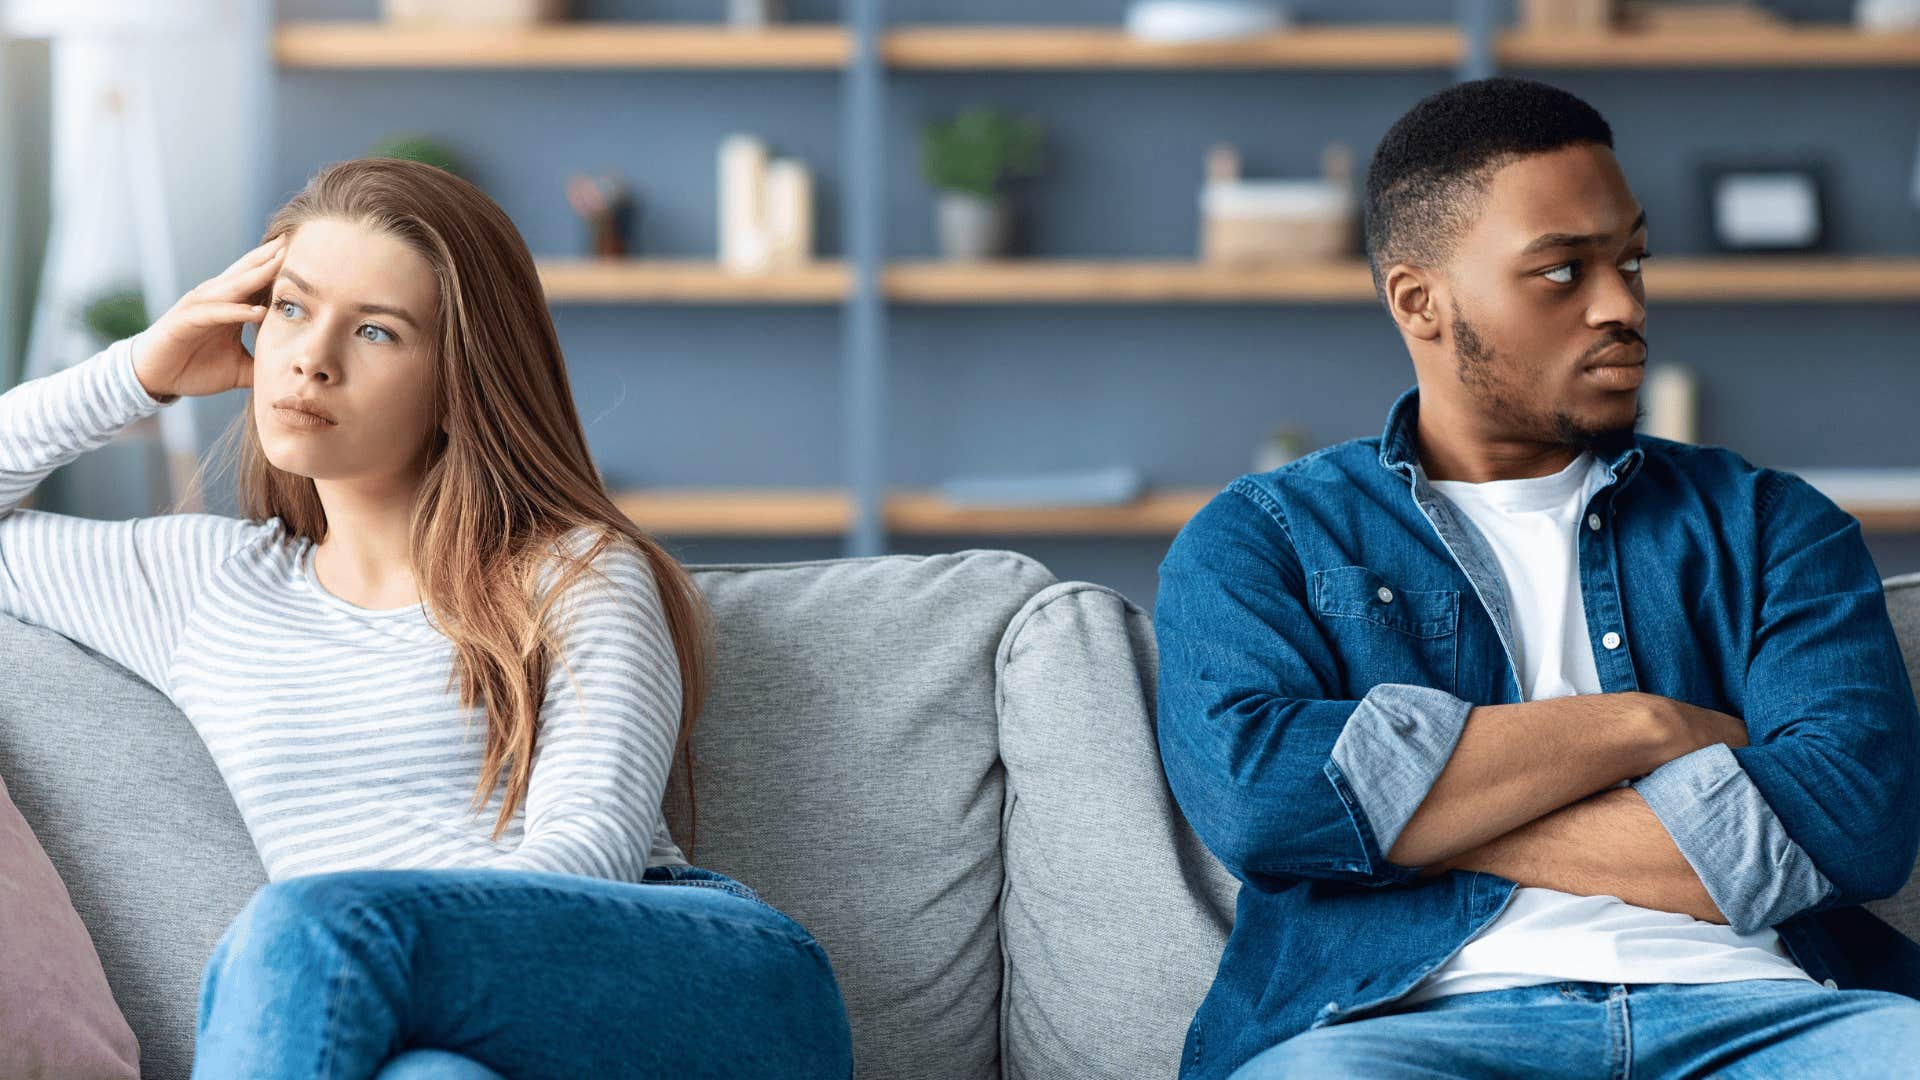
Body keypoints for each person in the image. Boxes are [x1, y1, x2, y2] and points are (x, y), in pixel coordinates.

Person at [0, 157, 853, 1079]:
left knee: (308, 920)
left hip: (695, 980)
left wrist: (369, 939)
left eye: (375, 330)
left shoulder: (572, 574)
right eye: (290, 307)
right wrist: (141, 371)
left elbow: (590, 847)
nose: (312, 357)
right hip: (421, 1017)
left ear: (458, 382)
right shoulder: (203, 585)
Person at [1153, 76, 1920, 1079]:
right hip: (1399, 1031)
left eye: (1632, 259)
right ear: (1420, 302)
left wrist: (1411, 819)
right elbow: (1266, 804)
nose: (1622, 304)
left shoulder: (1774, 526)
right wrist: (1644, 726)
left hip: (1764, 1014)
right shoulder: (1265, 539)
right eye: (1562, 273)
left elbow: (1854, 827)